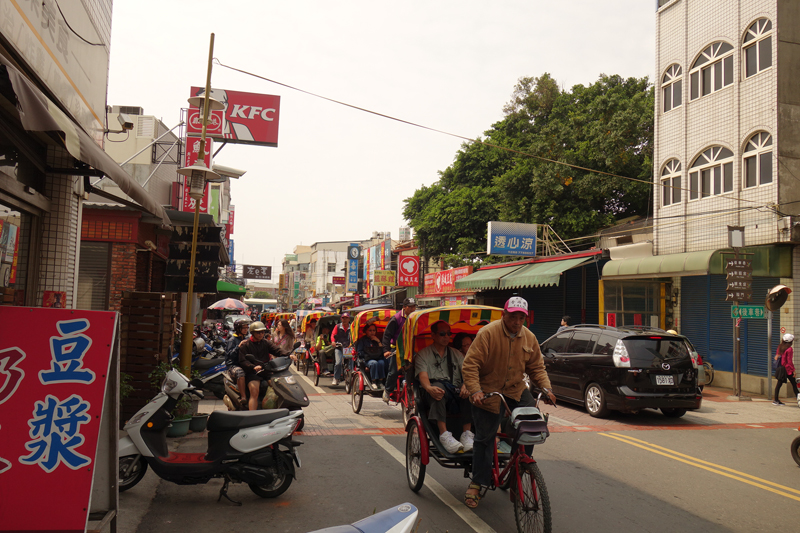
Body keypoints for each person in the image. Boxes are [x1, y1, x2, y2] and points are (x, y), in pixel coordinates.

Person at [461, 296, 556, 509]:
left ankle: (519, 470)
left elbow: (537, 368)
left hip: (515, 390)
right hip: (488, 392)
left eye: (521, 317)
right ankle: (477, 482)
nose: (516, 321)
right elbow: (470, 364)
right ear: (504, 315)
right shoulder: (488, 333)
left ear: (525, 318)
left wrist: (547, 388)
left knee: (532, 427)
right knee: (485, 439)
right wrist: (475, 390)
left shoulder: (529, 338)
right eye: (513, 316)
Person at [415, 321, 474, 453]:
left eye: (449, 333)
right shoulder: (423, 354)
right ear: (433, 335)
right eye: (442, 334)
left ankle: (467, 434)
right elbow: (423, 376)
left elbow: (468, 373)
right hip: (433, 391)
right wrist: (429, 388)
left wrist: (466, 385)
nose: (446, 336)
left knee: (469, 392)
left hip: (454, 390)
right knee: (437, 389)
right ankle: (444, 434)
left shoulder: (456, 354)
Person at [238, 321, 292, 411]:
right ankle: (252, 416)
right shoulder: (245, 344)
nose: (261, 334)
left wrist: (288, 355)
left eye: (262, 332)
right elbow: (243, 360)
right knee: (254, 392)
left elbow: (277, 350)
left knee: (279, 387)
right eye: (258, 332)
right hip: (253, 373)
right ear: (252, 333)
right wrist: (253, 366)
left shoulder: (266, 343)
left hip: (266, 371)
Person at [382, 297, 417, 402]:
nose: (412, 309)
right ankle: (387, 391)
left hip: (411, 349)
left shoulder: (415, 317)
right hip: (397, 350)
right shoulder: (396, 318)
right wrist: (386, 350)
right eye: (410, 307)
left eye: (414, 307)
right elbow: (387, 335)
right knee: (394, 371)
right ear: (404, 307)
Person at [225, 319, 251, 409]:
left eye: (247, 328)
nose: (245, 330)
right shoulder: (232, 340)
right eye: (243, 328)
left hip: (245, 363)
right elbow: (229, 355)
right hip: (234, 365)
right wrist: (238, 346)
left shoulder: (247, 338)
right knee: (240, 373)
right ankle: (243, 397)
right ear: (238, 328)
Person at [356, 322, 387, 386]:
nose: (372, 332)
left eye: (374, 330)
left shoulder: (378, 339)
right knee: (374, 363)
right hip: (367, 360)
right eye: (370, 330)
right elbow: (359, 352)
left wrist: (378, 341)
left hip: (378, 358)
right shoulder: (362, 340)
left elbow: (382, 350)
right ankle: (374, 381)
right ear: (366, 331)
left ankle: (380, 381)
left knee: (382, 363)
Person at [773, 333, 799, 406]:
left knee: (779, 385)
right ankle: (799, 399)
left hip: (780, 368)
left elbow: (777, 357)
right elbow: (789, 361)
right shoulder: (789, 349)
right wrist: (793, 370)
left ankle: (776, 400)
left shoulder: (780, 347)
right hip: (787, 370)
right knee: (794, 384)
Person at [331, 313, 352, 386]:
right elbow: (333, 335)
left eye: (346, 318)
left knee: (352, 362)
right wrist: (333, 341)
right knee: (338, 363)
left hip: (348, 348)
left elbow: (354, 336)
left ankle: (352, 377)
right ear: (341, 319)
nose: (345, 319)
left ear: (349, 319)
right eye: (343, 318)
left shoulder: (352, 327)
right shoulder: (337, 327)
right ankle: (336, 378)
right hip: (339, 347)